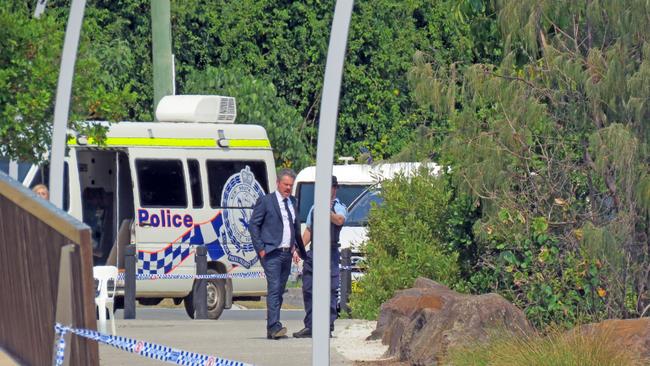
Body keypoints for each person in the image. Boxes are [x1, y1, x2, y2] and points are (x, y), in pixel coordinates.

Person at [249, 168, 307, 340]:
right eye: (285, 185)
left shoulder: (293, 202)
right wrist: (260, 249)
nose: (288, 188)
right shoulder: (266, 201)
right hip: (271, 253)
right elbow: (253, 225)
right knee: (274, 288)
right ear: (278, 183)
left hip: (287, 254)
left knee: (280, 290)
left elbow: (294, 228)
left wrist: (297, 248)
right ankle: (274, 326)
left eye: (291, 185)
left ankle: (273, 326)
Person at [293, 175, 347, 338]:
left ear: (334, 189)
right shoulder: (314, 208)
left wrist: (326, 211)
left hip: (330, 252)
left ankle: (327, 326)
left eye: (329, 187)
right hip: (314, 252)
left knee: (330, 290)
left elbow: (339, 220)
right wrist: (299, 249)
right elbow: (309, 230)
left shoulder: (339, 207)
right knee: (309, 289)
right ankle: (310, 325)